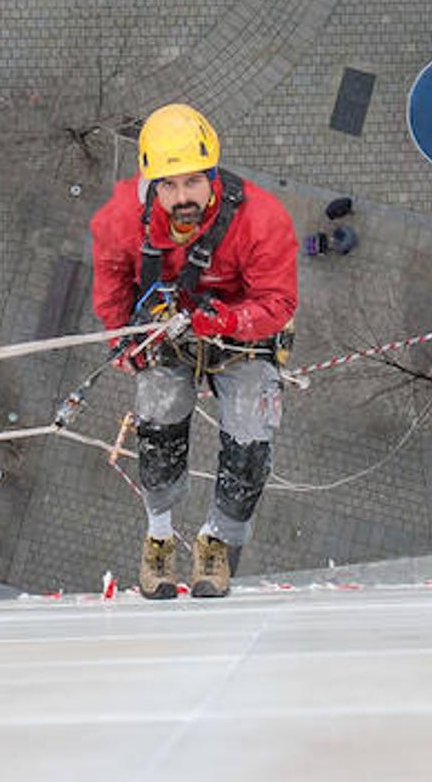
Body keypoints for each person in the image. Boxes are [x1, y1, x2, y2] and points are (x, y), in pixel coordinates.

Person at [88, 103, 299, 599]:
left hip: (239, 334)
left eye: (192, 182)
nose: (181, 197)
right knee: (157, 425)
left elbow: (277, 302)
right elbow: (112, 282)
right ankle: (159, 534)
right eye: (168, 185)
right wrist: (122, 338)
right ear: (151, 184)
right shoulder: (121, 220)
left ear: (212, 176)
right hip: (167, 329)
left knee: (250, 444)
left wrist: (225, 320)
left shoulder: (261, 219)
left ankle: (217, 539)